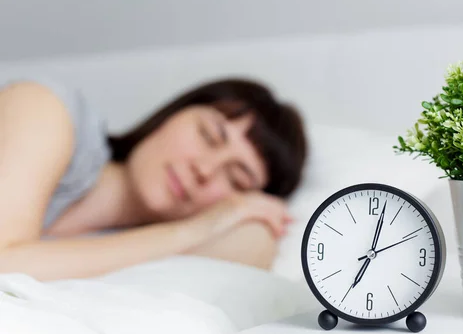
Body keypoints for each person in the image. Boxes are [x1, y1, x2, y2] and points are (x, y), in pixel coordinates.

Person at [0, 77, 307, 281]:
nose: (205, 169)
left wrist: (236, 217)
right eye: (208, 135)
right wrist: (190, 231)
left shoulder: (128, 254)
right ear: (172, 115)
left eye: (236, 180)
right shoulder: (46, 110)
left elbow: (255, 249)